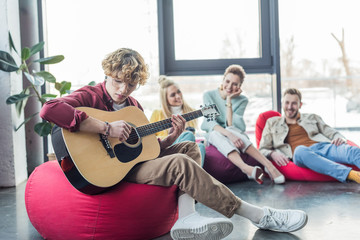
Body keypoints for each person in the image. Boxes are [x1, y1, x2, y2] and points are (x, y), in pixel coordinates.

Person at [40, 48, 307, 240]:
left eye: (130, 84)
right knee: (180, 163)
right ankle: (259, 216)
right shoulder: (90, 96)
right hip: (109, 172)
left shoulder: (134, 106)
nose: (122, 89)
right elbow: (49, 109)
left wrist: (169, 138)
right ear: (107, 74)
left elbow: (145, 149)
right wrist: (105, 127)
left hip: (130, 165)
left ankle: (186, 216)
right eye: (117, 81)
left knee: (187, 147)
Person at [201, 64, 285, 185]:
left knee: (232, 129)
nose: (229, 86)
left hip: (235, 133)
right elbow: (210, 123)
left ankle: (269, 166)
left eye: (235, 84)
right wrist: (229, 134)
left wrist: (229, 100)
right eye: (227, 81)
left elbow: (232, 124)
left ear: (240, 86)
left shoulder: (242, 100)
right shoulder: (208, 95)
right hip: (216, 134)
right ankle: (246, 168)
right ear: (223, 80)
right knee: (214, 133)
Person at [259, 88, 360, 184]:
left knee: (354, 151)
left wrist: (340, 138)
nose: (289, 107)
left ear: (300, 105)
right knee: (300, 150)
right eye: (287, 102)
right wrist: (272, 154)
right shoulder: (272, 123)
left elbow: (331, 132)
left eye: (294, 103)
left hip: (324, 147)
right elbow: (262, 149)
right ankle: (352, 175)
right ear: (282, 103)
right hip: (301, 154)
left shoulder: (312, 117)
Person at [150, 75, 206, 166]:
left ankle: (191, 176)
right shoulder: (157, 113)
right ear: (166, 99)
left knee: (200, 147)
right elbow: (150, 139)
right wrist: (170, 135)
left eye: (178, 92)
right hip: (166, 150)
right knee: (188, 134)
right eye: (173, 95)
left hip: (185, 148)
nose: (178, 96)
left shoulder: (191, 112)